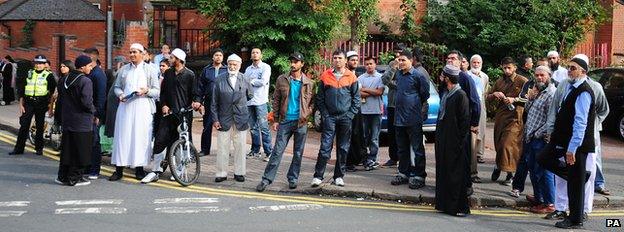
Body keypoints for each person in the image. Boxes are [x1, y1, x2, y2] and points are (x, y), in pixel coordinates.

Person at [543, 54, 609, 222]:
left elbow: (602, 110)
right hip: (565, 138)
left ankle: (583, 210)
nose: (569, 71)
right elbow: (555, 108)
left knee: (586, 176)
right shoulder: (565, 85)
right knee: (564, 175)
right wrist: (552, 130)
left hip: (584, 140)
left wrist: (592, 125)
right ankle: (561, 208)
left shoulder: (593, 87)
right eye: (569, 67)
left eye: (573, 68)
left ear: (584, 70)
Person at [256, 52, 314, 191]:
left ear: (302, 64)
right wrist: (275, 120)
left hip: (301, 122)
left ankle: (293, 178)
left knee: (298, 153)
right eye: (291, 61)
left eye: (296, 62)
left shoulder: (309, 83)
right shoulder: (282, 79)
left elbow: (313, 102)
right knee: (277, 151)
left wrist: (308, 113)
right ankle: (266, 179)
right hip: (285, 121)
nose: (293, 64)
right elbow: (276, 100)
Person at [142, 48, 202, 183]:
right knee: (160, 140)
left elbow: (196, 93)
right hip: (168, 114)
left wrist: (197, 102)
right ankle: (155, 170)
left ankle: (179, 169)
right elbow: (162, 93)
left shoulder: (190, 75)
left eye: (172, 57)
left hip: (183, 115)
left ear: (179, 60)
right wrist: (163, 104)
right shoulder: (168, 73)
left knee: (181, 143)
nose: (169, 59)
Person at [507, 66, 556, 215]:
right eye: (537, 75)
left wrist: (537, 133)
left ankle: (550, 203)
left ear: (549, 76)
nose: (539, 78)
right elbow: (528, 110)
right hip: (530, 137)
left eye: (542, 75)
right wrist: (531, 98)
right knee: (534, 170)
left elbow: (551, 120)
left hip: (540, 139)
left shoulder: (551, 94)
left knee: (544, 172)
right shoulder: (538, 92)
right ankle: (539, 198)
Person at [109, 43, 160, 181]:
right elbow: (117, 87)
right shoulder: (124, 70)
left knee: (140, 138)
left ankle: (139, 169)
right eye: (130, 52)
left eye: (135, 52)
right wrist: (120, 95)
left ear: (142, 54)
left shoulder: (150, 70)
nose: (132, 55)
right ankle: (118, 169)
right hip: (125, 107)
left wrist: (147, 91)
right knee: (122, 137)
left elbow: (157, 91)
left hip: (143, 107)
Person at [311, 50, 360, 187]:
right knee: (325, 147)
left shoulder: (351, 77)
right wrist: (325, 115)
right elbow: (319, 99)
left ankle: (338, 176)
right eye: (335, 58)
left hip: (345, 117)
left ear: (345, 61)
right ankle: (318, 176)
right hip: (330, 117)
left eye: (340, 58)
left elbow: (356, 99)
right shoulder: (325, 75)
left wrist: (350, 115)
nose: (337, 60)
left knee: (343, 148)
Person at [435, 64, 471, 217]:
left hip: (455, 142)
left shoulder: (460, 95)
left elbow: (464, 122)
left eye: (443, 76)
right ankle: (444, 204)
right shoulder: (447, 93)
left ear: (448, 78)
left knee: (455, 174)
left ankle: (458, 207)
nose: (441, 78)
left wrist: (459, 143)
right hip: (444, 139)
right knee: (445, 172)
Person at [391, 50, 430, 189]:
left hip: (413, 118)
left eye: (403, 60)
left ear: (411, 61)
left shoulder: (418, 76)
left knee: (417, 148)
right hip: (399, 118)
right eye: (399, 60)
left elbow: (425, 95)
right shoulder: (399, 75)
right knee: (402, 148)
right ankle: (403, 173)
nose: (400, 63)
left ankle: (419, 175)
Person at [54, 56, 95, 186]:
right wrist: (94, 111)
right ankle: (75, 177)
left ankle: (62, 176)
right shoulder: (85, 81)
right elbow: (86, 102)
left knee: (67, 150)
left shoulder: (63, 79)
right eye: (89, 65)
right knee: (80, 150)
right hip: (81, 122)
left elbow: (60, 101)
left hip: (67, 120)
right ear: (82, 67)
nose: (91, 68)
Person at [487, 57, 528, 186]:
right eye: (504, 68)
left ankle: (510, 174)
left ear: (515, 67)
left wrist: (514, 99)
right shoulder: (499, 81)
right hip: (501, 117)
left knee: (508, 145)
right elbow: (487, 96)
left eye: (509, 67)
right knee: (500, 144)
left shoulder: (523, 81)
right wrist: (494, 95)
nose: (507, 70)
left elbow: (530, 98)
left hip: (516, 118)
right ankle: (498, 166)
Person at [211, 54, 250, 183]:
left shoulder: (245, 78)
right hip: (224, 118)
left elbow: (250, 95)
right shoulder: (219, 79)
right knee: (222, 147)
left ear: (239, 65)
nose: (232, 67)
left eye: (235, 64)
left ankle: (239, 172)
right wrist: (215, 119)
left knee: (240, 147)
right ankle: (221, 173)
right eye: (230, 64)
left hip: (240, 118)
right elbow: (214, 102)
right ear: (227, 65)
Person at [446, 50, 481, 193]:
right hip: (449, 124)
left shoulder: (466, 78)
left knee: (464, 155)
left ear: (460, 62)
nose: (450, 60)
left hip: (463, 124)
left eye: (453, 58)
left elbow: (475, 102)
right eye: (448, 58)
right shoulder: (446, 77)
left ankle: (467, 185)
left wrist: (474, 123)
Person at [9, 55, 57, 156]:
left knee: (40, 126)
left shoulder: (49, 75)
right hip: (28, 102)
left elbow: (52, 92)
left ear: (45, 65)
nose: (39, 65)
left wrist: (50, 106)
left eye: (41, 63)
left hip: (41, 103)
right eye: (37, 63)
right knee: (24, 125)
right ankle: (18, 149)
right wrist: (21, 104)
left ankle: (39, 148)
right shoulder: (29, 73)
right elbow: (22, 89)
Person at [83, 47, 108, 180]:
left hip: (95, 114)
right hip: (88, 113)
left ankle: (94, 169)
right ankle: (87, 167)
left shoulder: (98, 74)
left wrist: (98, 115)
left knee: (95, 141)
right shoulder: (89, 72)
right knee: (89, 141)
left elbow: (101, 96)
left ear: (92, 57)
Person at [244, 48, 273, 161]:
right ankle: (255, 150)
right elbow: (244, 82)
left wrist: (252, 81)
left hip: (261, 101)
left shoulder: (265, 67)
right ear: (251, 56)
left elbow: (263, 81)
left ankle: (268, 152)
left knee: (264, 128)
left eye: (257, 52)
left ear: (261, 55)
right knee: (253, 128)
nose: (255, 54)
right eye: (253, 53)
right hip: (249, 101)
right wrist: (253, 80)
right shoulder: (248, 69)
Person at [198, 49, 228, 156]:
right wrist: (199, 102)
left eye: (220, 55)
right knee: (207, 125)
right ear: (213, 57)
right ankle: (205, 149)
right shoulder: (207, 70)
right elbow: (200, 87)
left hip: (223, 102)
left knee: (224, 126)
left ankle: (224, 150)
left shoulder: (227, 69)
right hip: (209, 101)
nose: (218, 57)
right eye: (216, 55)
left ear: (223, 57)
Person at [357, 57, 384, 171]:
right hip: (363, 111)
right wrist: (372, 91)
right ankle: (364, 158)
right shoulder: (360, 77)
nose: (369, 66)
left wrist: (365, 89)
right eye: (367, 64)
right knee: (363, 137)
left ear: (375, 64)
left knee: (374, 137)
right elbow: (358, 93)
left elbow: (379, 92)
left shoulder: (380, 77)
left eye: (371, 64)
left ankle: (372, 159)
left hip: (376, 111)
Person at [381, 45, 404, 167]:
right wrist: (393, 69)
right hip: (392, 104)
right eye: (396, 53)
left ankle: (403, 159)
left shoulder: (407, 65)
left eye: (400, 53)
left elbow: (403, 84)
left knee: (402, 133)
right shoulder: (392, 64)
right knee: (392, 132)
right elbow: (384, 80)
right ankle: (393, 158)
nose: (397, 56)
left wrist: (393, 84)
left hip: (403, 105)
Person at [345, 50, 366, 171]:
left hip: (357, 109)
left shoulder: (357, 75)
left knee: (358, 135)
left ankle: (358, 159)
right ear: (347, 61)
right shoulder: (345, 74)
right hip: (347, 109)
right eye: (352, 60)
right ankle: (347, 162)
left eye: (356, 60)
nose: (355, 62)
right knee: (348, 135)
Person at [468, 55, 489, 169]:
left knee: (482, 130)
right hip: (471, 106)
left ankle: (480, 154)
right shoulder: (467, 76)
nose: (476, 65)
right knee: (472, 131)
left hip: (481, 105)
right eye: (474, 62)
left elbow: (485, 92)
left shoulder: (484, 76)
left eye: (478, 63)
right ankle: (472, 153)